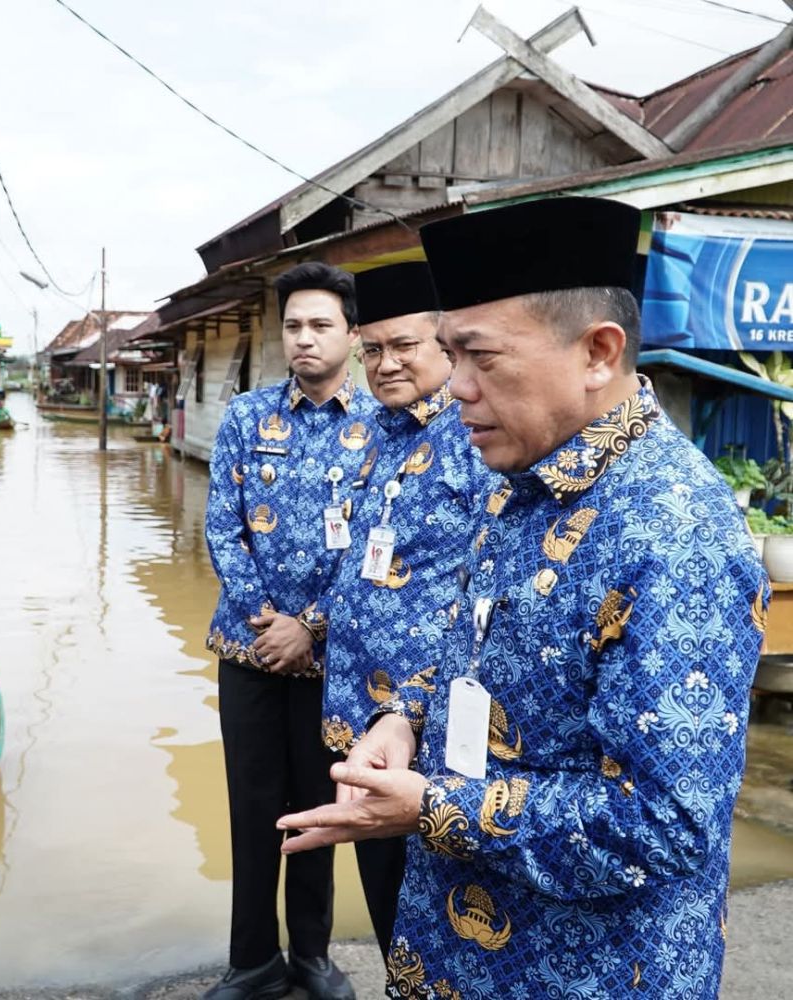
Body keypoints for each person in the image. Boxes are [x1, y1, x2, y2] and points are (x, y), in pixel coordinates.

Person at [278, 198, 769, 999]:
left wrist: (431, 805)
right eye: (450, 354)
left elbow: (664, 823)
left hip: (587, 968)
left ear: (598, 353)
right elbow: (469, 642)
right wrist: (407, 720)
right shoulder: (520, 480)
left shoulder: (674, 531)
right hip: (456, 947)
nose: (457, 389)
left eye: (480, 357)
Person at [203, 262, 380, 1000]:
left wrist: (310, 627)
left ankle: (312, 955)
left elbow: (383, 544)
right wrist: (269, 622)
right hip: (249, 652)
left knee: (321, 812)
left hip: (335, 664)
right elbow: (221, 524)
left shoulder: (383, 428)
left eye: (320, 325)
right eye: (293, 326)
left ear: (353, 336)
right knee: (252, 811)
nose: (303, 339)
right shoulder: (247, 418)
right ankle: (252, 963)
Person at [318, 261, 491, 959]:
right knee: (388, 907)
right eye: (372, 352)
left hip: (425, 728)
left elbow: (485, 585)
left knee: (435, 917)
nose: (386, 365)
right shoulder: (375, 435)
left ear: (445, 345)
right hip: (358, 713)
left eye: (404, 347)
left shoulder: (474, 436)